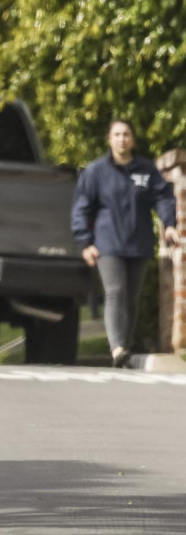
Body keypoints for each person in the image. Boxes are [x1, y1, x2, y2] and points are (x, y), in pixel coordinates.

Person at [71, 119, 179, 367]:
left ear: (133, 139)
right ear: (110, 139)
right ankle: (117, 347)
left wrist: (170, 224)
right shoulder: (96, 172)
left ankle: (124, 349)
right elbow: (82, 208)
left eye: (126, 134)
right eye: (117, 134)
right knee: (115, 291)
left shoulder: (145, 170)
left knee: (131, 298)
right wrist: (85, 242)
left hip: (139, 243)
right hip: (107, 243)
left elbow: (162, 197)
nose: (122, 139)